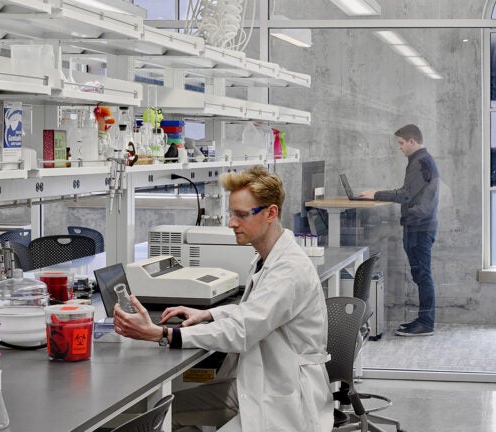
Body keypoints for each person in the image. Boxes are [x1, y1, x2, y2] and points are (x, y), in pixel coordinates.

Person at [113, 165, 334, 432]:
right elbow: (253, 313)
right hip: (259, 384)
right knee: (169, 411)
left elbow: (243, 331)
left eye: (241, 215)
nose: (231, 223)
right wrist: (208, 314)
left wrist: (162, 334)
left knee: (163, 416)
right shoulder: (266, 258)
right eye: (232, 213)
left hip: (285, 399)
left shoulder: (289, 269)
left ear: (271, 213)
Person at [359, 124, 440, 336]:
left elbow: (405, 195)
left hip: (419, 227)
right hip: (420, 225)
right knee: (421, 274)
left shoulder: (419, 162)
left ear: (413, 141)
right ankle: (424, 320)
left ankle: (426, 323)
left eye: (401, 143)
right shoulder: (422, 161)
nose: (400, 147)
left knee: (423, 275)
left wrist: (376, 194)